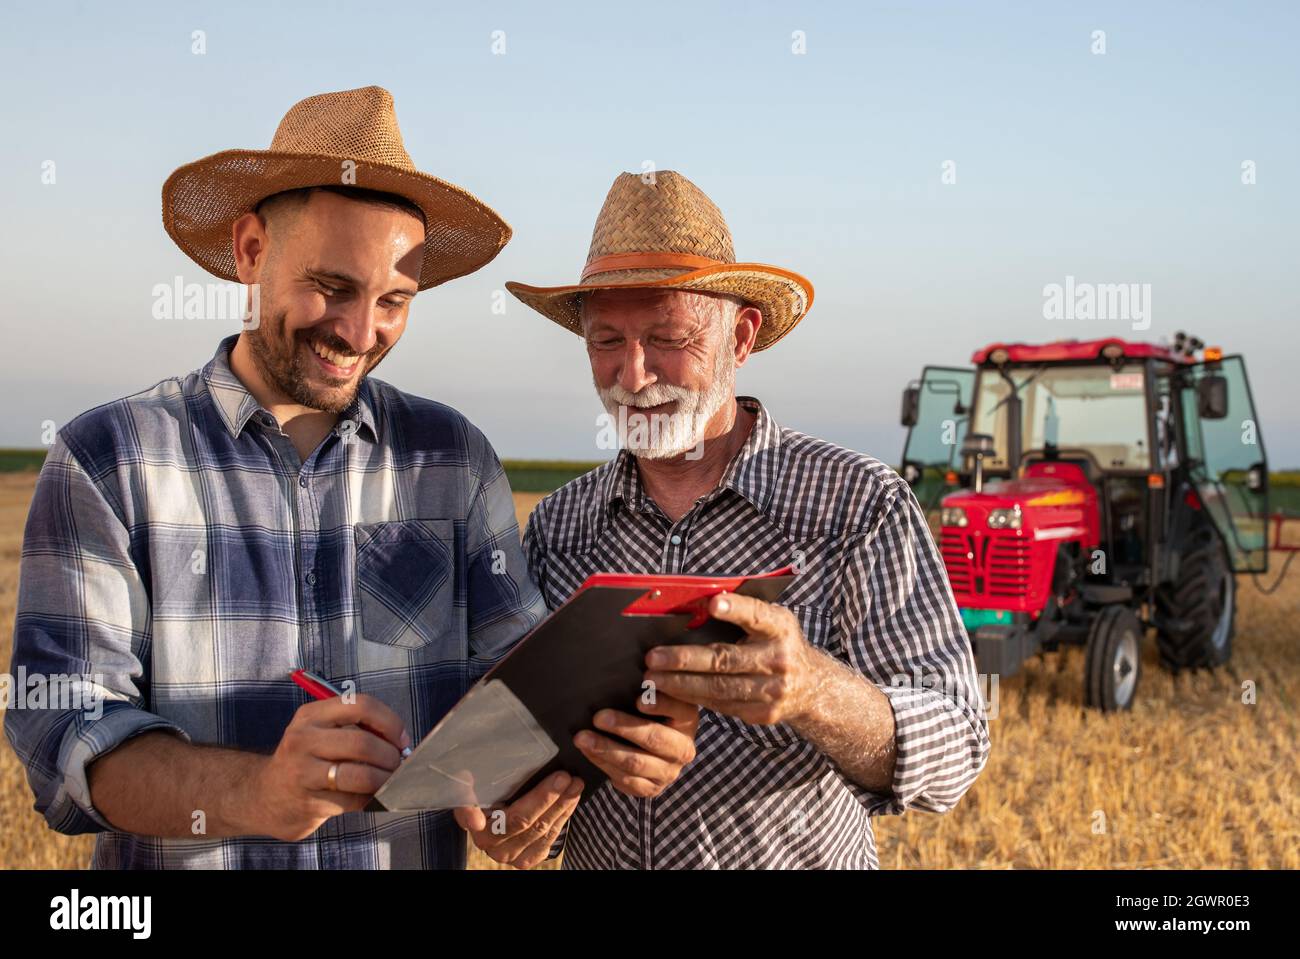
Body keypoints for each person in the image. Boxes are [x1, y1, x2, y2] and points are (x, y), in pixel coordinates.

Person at [6, 87, 690, 869]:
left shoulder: (454, 460)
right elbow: (66, 733)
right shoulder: (110, 460)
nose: (362, 332)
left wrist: (525, 803)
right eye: (333, 288)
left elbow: (517, 704)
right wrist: (260, 793)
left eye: (395, 300)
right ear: (252, 250)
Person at [506, 170, 991, 868]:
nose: (633, 375)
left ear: (741, 337)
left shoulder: (858, 504)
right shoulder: (560, 527)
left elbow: (958, 750)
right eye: (606, 340)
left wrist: (813, 690)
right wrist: (514, 819)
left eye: (668, 337)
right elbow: (531, 753)